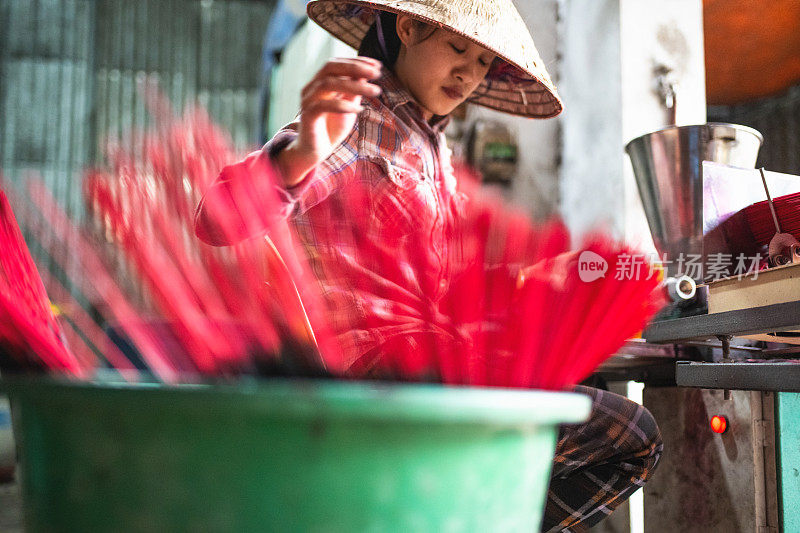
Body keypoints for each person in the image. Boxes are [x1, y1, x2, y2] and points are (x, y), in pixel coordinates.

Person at [195, 1, 662, 530]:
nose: (469, 74)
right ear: (409, 26)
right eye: (459, 49)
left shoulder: (430, 145)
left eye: (485, 62)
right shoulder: (358, 122)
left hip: (434, 369)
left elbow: (439, 287)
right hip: (381, 387)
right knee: (631, 437)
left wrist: (531, 280)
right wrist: (304, 151)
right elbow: (218, 219)